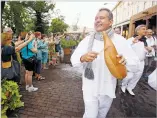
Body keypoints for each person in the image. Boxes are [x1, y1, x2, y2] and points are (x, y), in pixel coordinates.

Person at [70, 8, 140, 118]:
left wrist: (125, 60)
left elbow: (135, 64)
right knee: (90, 114)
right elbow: (74, 59)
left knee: (102, 114)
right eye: (96, 18)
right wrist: (82, 58)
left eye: (101, 18)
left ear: (111, 22)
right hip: (90, 86)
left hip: (108, 86)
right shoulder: (87, 40)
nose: (97, 20)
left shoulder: (120, 40)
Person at [121, 25, 150, 95]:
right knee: (129, 76)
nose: (145, 30)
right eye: (143, 29)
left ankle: (130, 87)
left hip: (141, 62)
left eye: (145, 29)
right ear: (137, 31)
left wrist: (149, 50)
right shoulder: (131, 39)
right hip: (132, 62)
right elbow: (124, 48)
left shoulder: (145, 40)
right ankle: (123, 85)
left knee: (137, 76)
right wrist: (132, 42)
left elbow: (145, 50)